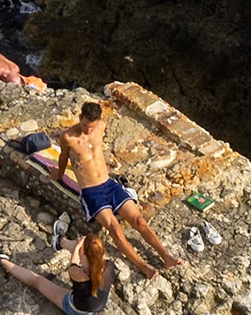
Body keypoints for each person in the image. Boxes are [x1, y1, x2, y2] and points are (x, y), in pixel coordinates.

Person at [56, 102, 180, 277]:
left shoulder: (101, 127)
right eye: (85, 126)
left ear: (98, 122)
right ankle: (143, 266)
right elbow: (63, 158)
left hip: (109, 184)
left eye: (91, 127)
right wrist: (59, 175)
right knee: (114, 228)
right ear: (80, 118)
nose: (88, 131)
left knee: (139, 220)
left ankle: (166, 256)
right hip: (91, 191)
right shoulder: (68, 137)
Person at [0, 225, 115, 315]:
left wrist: (77, 248)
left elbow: (74, 262)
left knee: (38, 281)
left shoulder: (77, 274)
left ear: (84, 256)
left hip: (78, 310)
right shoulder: (109, 266)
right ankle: (60, 242)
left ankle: (2, 261)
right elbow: (90, 253)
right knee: (89, 246)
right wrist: (82, 246)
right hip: (98, 302)